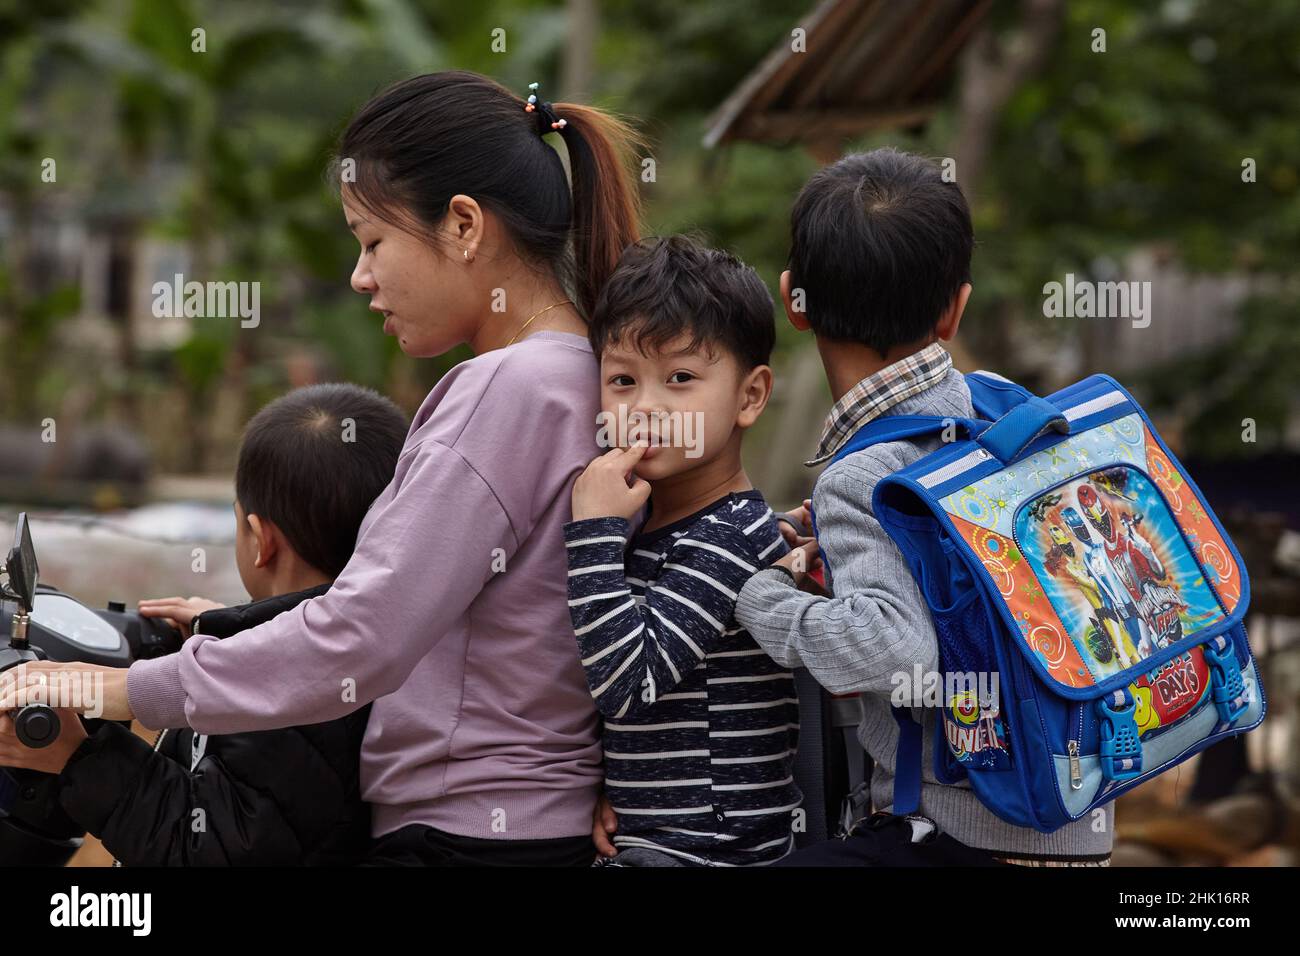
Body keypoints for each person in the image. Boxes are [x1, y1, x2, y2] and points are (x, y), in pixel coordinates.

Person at [0, 70, 643, 867]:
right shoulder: (588, 375)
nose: (360, 275)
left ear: (466, 226)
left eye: (373, 242)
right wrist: (233, 628)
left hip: (464, 838)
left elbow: (363, 637)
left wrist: (119, 690)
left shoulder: (506, 390)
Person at [733, 148, 1114, 866]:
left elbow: (894, 646)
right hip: (1079, 813)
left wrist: (759, 599)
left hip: (963, 834)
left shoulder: (862, 477)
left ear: (794, 301)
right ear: (955, 309)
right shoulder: (1005, 410)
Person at [0, 384, 407, 865]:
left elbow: (211, 850)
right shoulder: (382, 647)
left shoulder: (292, 697)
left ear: (260, 541)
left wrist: (76, 759)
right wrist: (226, 628)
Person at [563, 237, 799, 866]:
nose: (644, 407)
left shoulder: (727, 535)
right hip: (657, 841)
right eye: (622, 380)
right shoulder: (652, 525)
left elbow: (627, 683)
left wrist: (591, 531)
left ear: (750, 396)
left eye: (681, 379)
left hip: (716, 852)